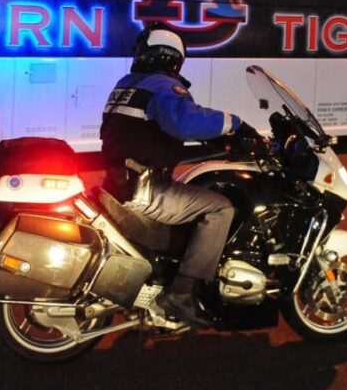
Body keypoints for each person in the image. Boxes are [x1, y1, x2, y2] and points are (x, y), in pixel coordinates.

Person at [100, 23, 259, 328]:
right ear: (173, 58)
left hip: (120, 181)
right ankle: (183, 293)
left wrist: (215, 140)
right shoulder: (162, 86)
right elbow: (184, 121)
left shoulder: (129, 84)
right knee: (220, 207)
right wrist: (235, 125)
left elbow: (152, 131)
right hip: (145, 189)